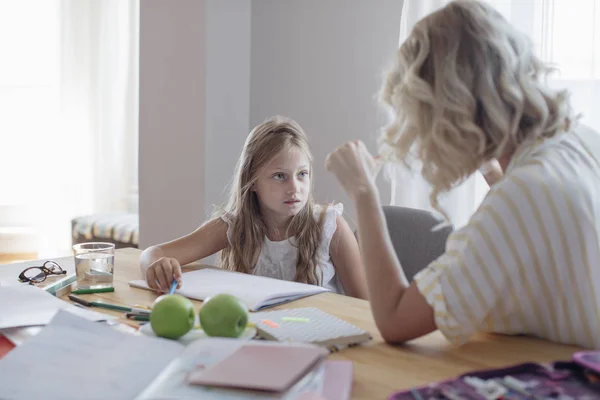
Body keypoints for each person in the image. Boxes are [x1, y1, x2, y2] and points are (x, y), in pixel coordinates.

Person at [326, 0, 600, 348]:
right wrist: (488, 160)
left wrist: (364, 193)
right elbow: (534, 233)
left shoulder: (516, 201)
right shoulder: (581, 140)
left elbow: (395, 319)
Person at [140, 116, 368, 299]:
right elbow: (153, 253)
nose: (294, 188)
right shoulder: (233, 226)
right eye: (280, 176)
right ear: (253, 182)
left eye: (302, 174)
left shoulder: (330, 226)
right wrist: (157, 265)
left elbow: (365, 307)